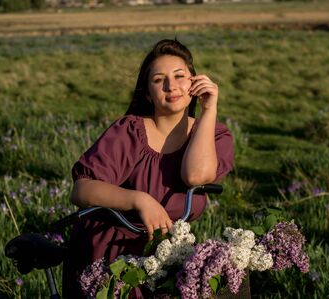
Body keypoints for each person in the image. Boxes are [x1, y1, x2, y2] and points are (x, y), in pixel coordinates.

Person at [62, 39, 234, 298]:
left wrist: (209, 109)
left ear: (194, 83)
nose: (171, 86)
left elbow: (195, 176)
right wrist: (139, 200)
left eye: (180, 76)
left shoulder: (215, 136)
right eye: (158, 80)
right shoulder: (129, 132)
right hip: (112, 256)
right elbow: (82, 189)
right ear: (147, 93)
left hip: (168, 255)